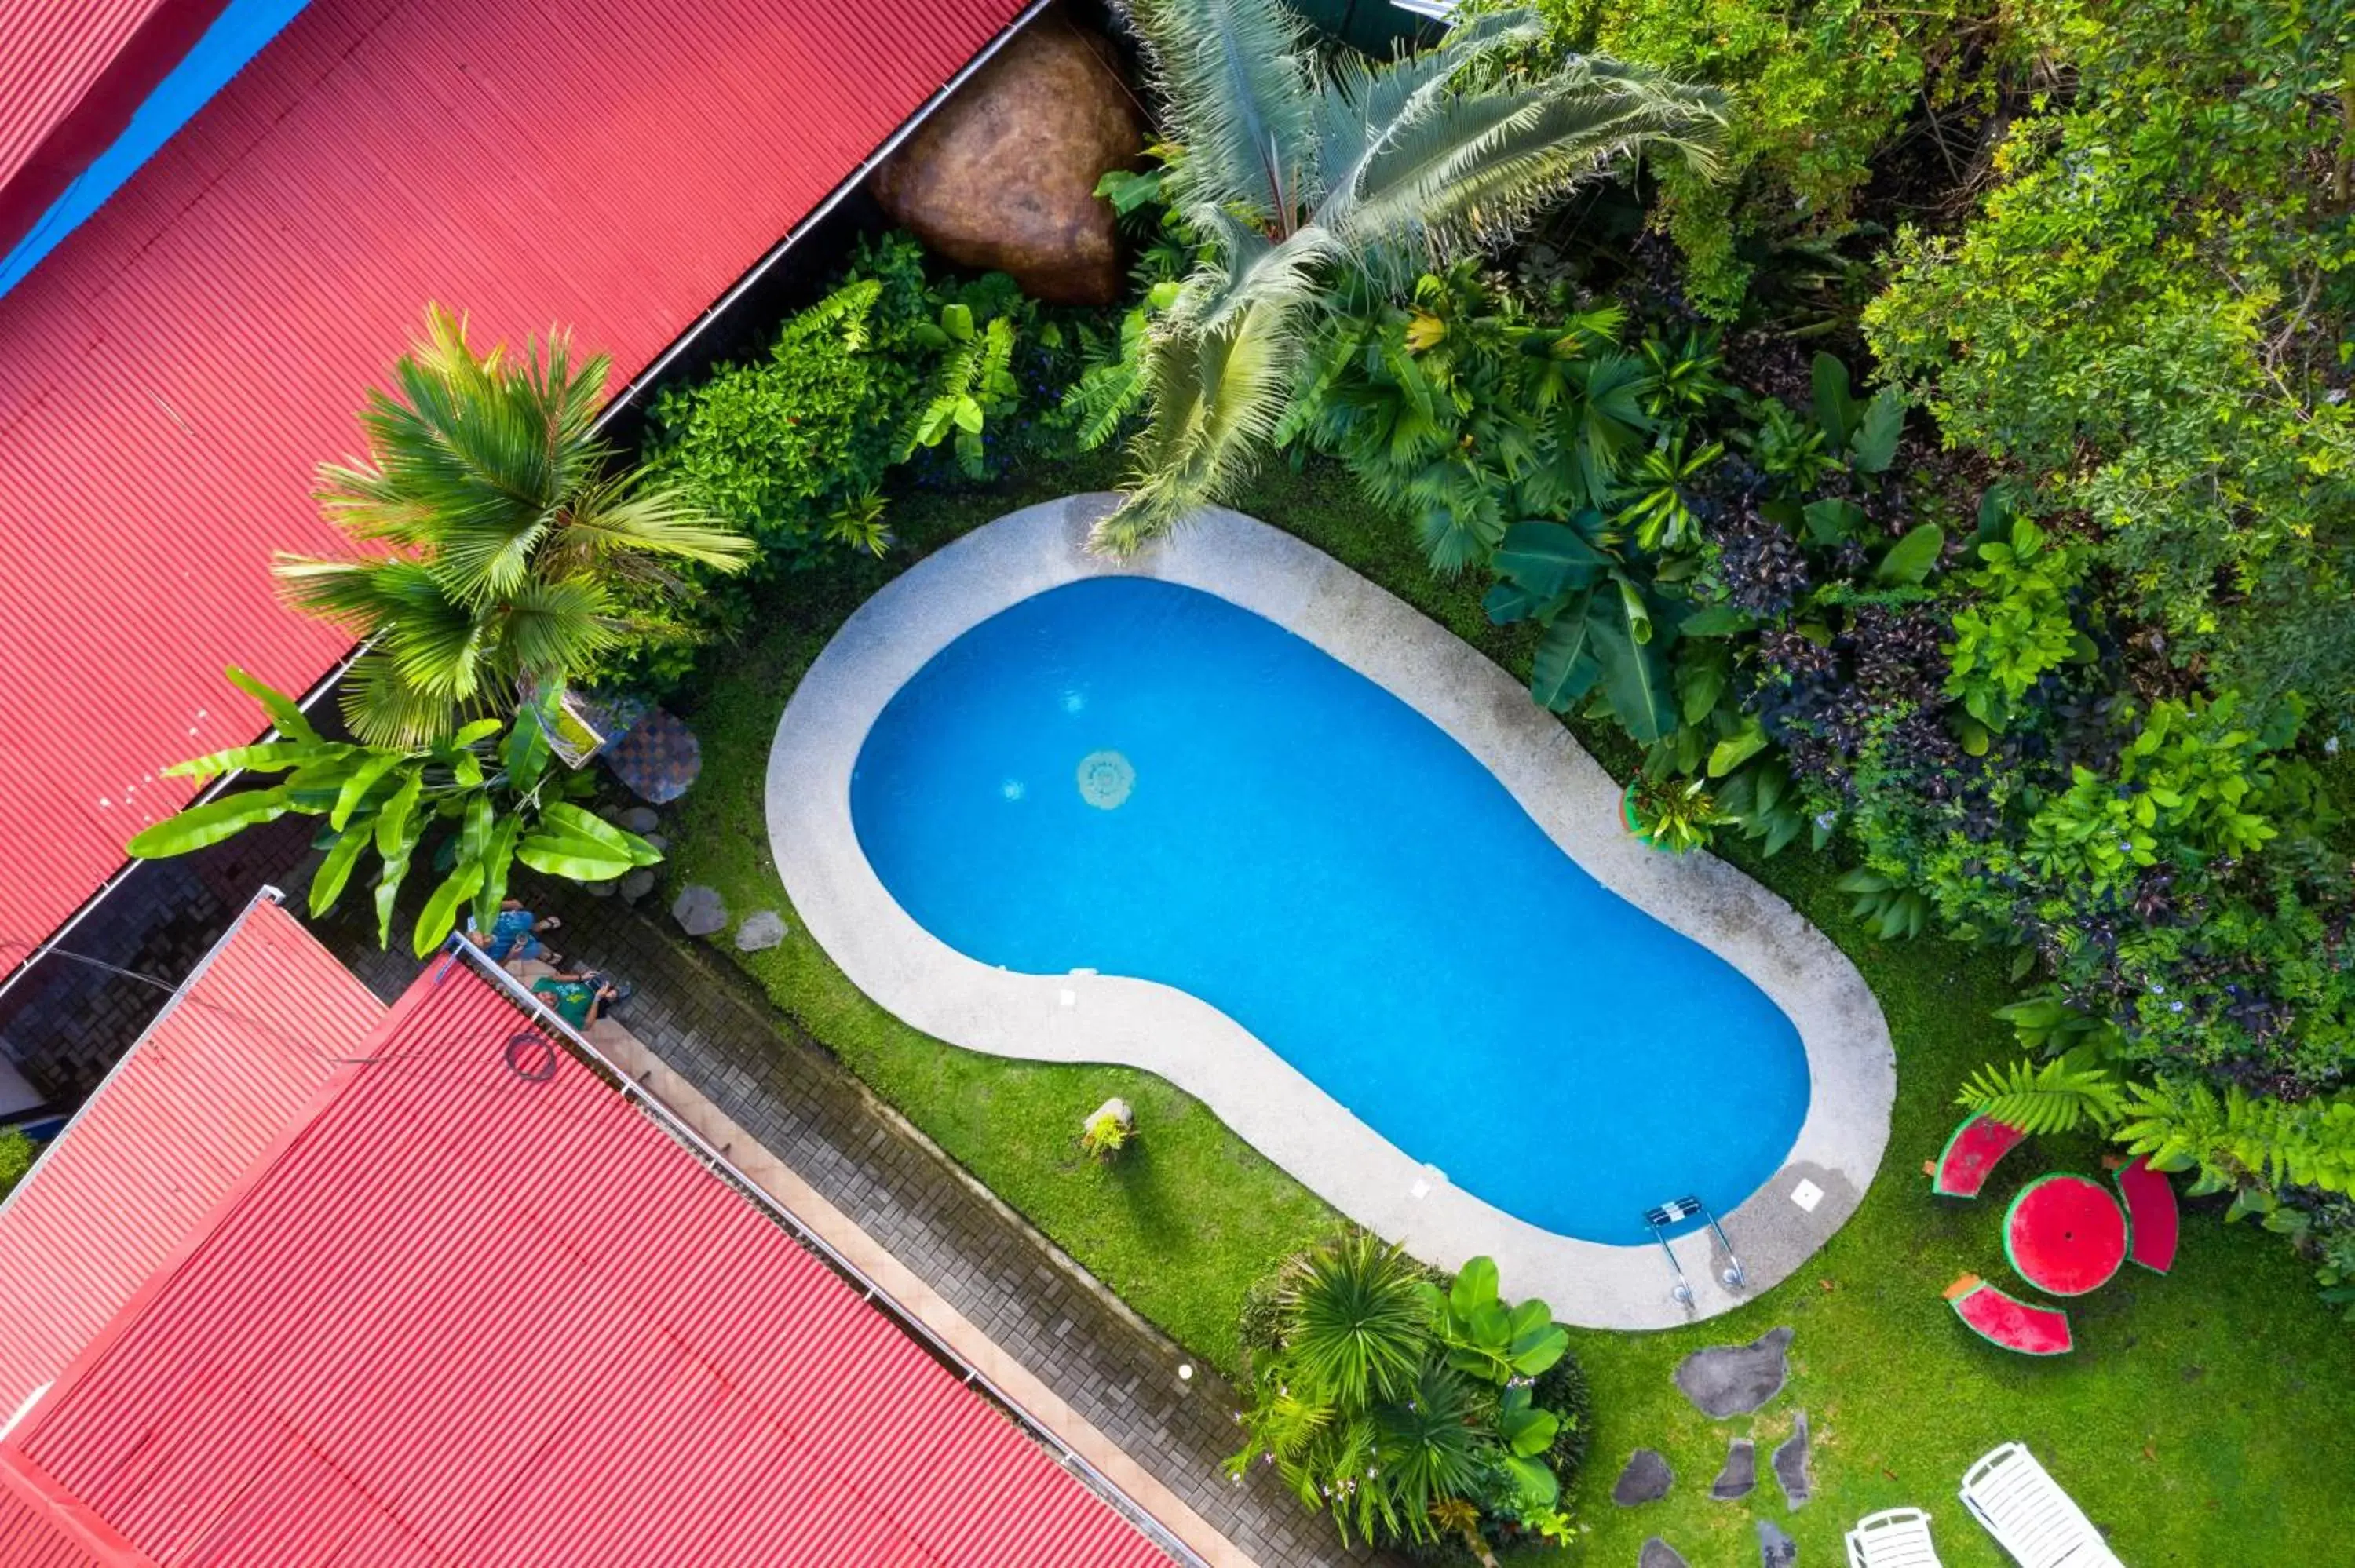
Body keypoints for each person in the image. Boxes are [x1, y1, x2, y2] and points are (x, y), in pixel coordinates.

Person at [467, 900, 560, 966]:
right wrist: (510, 956)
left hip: (506, 925)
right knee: (536, 949)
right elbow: (498, 967)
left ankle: (536, 927)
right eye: (484, 944)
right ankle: (545, 954)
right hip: (510, 948)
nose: (488, 939)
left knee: (528, 917)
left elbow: (492, 906)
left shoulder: (476, 920)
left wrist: (510, 904)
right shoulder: (484, 958)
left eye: (483, 935)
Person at [531, 966, 625, 1030]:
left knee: (600, 976)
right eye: (546, 1002)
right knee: (612, 994)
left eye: (544, 995)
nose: (548, 996)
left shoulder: (540, 986)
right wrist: (597, 998)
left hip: (584, 983)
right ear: (549, 1010)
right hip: (595, 1002)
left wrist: (580, 977)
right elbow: (587, 1025)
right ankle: (619, 994)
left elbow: (553, 978)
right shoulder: (566, 1018)